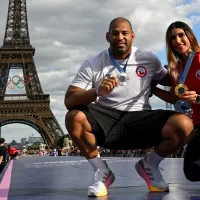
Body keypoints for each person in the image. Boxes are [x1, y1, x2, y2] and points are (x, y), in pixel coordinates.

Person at [64, 17, 194, 197]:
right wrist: (97, 91)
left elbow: (175, 83)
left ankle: (150, 164)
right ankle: (102, 171)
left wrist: (190, 60)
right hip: (106, 121)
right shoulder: (93, 63)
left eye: (125, 33)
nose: (120, 37)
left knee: (184, 125)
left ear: (132, 36)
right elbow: (69, 100)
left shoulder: (148, 58)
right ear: (107, 36)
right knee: (74, 117)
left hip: (141, 119)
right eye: (115, 33)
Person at [152, 21, 200, 182]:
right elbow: (173, 98)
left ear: (190, 36)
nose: (178, 41)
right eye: (173, 38)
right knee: (193, 172)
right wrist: (151, 89)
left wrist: (198, 98)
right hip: (198, 124)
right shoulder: (176, 69)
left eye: (181, 35)